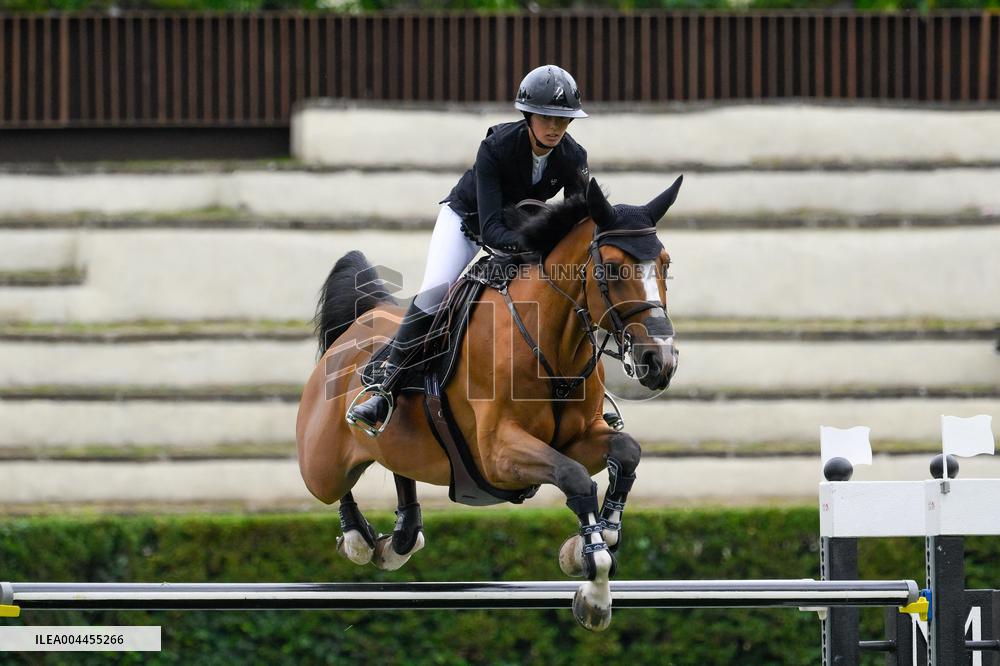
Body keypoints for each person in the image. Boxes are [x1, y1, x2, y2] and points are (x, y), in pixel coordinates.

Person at [346, 64, 591, 436]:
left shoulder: (573, 157)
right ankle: (384, 387)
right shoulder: (495, 147)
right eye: (546, 117)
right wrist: (535, 245)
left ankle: (593, 399)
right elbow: (491, 229)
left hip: (521, 230)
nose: (555, 127)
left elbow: (574, 223)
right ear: (528, 115)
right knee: (436, 292)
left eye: (563, 119)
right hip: (468, 223)